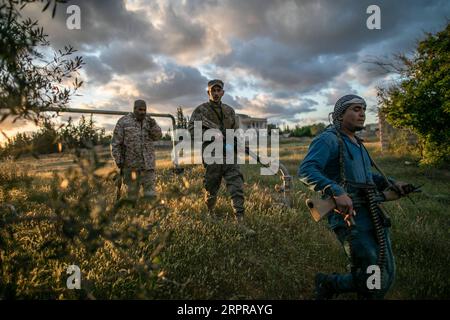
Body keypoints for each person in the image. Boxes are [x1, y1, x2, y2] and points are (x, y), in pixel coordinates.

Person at [298, 94, 411, 299]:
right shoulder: (329, 138)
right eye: (356, 109)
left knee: (385, 268)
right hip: (348, 215)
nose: (362, 114)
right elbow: (306, 170)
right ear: (341, 114)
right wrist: (336, 191)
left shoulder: (358, 143)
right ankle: (329, 283)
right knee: (371, 268)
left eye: (364, 110)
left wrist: (391, 182)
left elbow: (367, 177)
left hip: (372, 210)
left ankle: (331, 284)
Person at [188, 79, 254, 233]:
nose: (216, 93)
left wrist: (239, 143)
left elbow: (235, 131)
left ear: (223, 92)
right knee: (211, 187)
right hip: (212, 155)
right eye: (213, 91)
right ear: (208, 92)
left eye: (219, 91)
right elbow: (192, 131)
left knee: (236, 185)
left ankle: (240, 222)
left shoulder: (230, 110)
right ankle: (210, 212)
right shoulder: (200, 111)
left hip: (229, 153)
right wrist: (212, 135)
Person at [111, 99, 162, 200]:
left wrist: (153, 126)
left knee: (150, 196)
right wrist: (119, 160)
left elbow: (158, 136)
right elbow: (115, 144)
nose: (142, 112)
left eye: (144, 110)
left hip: (148, 166)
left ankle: (151, 215)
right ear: (134, 109)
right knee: (132, 197)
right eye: (140, 109)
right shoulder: (123, 122)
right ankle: (133, 215)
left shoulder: (150, 122)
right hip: (131, 167)